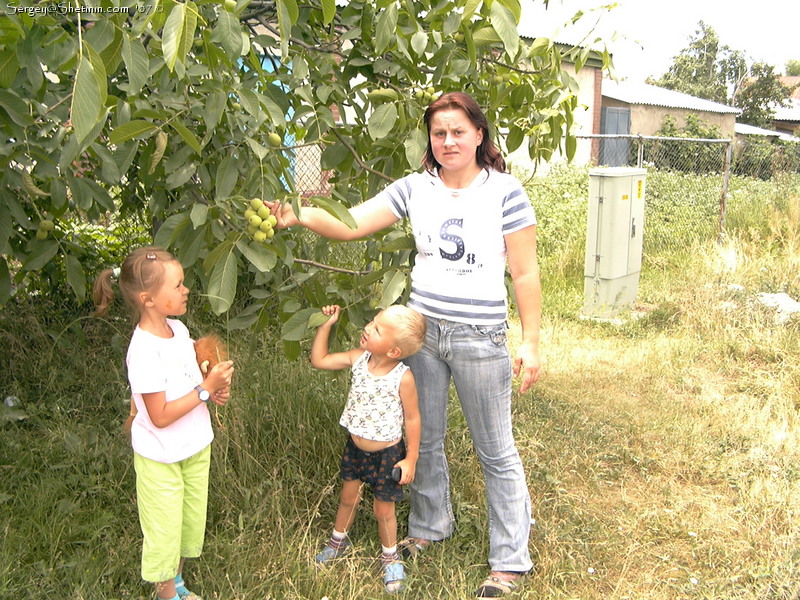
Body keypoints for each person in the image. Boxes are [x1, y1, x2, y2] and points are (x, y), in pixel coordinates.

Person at [269, 91, 542, 597]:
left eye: (459, 131)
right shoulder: (415, 188)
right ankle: (432, 526)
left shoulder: (506, 192)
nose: (449, 141)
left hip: (481, 337)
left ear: (479, 135)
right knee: (427, 438)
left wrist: (531, 340)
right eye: (439, 133)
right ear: (430, 140)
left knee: (496, 450)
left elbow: (524, 273)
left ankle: (509, 560)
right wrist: (298, 214)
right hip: (422, 333)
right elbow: (350, 223)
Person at [93, 246, 235, 600]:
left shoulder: (178, 329)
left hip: (194, 445)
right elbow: (158, 416)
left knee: (186, 521)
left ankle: (178, 583)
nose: (186, 290)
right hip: (161, 457)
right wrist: (204, 391)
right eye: (177, 286)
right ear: (148, 299)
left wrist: (211, 390)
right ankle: (166, 594)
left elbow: (189, 382)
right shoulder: (143, 350)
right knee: (164, 528)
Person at [310, 303, 425, 594]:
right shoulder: (358, 358)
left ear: (394, 351)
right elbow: (319, 360)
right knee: (347, 497)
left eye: (376, 329)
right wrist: (326, 325)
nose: (367, 328)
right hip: (355, 448)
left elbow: (412, 418)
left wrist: (410, 459)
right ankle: (338, 540)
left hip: (387, 455)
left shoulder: (403, 377)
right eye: (372, 322)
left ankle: (391, 557)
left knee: (383, 510)